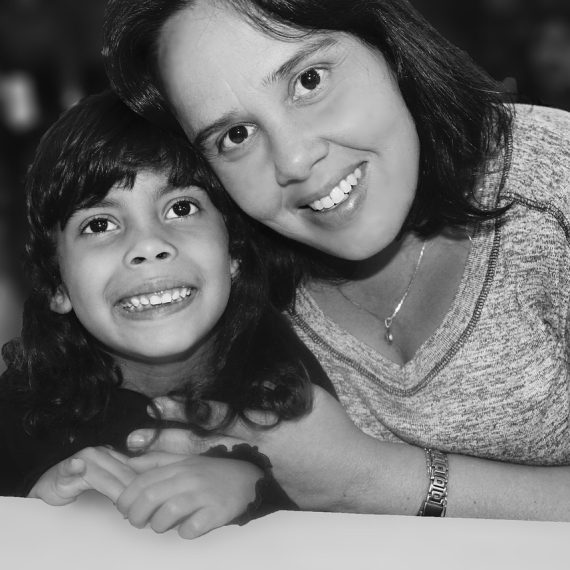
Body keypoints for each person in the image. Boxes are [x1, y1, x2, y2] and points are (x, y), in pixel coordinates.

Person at [102, 0, 570, 521]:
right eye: (235, 136)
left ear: (388, 46)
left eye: (308, 81)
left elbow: (345, 480)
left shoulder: (555, 183)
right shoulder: (228, 270)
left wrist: (369, 479)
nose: (294, 160)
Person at [0, 89, 335, 538]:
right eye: (99, 224)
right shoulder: (21, 407)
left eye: (181, 208)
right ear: (57, 286)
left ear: (234, 254)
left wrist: (258, 486)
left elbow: (340, 510)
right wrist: (27, 515)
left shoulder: (288, 375)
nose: (148, 245)